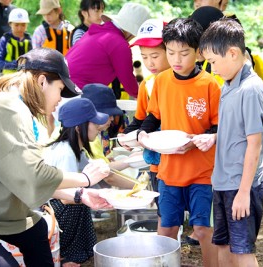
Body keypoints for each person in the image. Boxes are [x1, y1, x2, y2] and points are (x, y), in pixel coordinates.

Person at [0, 48, 111, 267]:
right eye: (60, 89)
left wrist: (79, 195)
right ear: (42, 81)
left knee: (35, 230)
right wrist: (85, 178)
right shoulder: (7, 107)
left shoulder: (11, 105)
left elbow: (21, 177)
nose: (59, 100)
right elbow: (34, 175)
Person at [136, 18, 220, 267]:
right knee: (166, 229)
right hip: (169, 171)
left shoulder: (210, 84)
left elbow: (218, 126)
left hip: (202, 173)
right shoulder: (160, 82)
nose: (177, 60)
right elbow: (153, 116)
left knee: (204, 230)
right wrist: (142, 133)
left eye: (184, 53)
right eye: (171, 53)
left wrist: (202, 139)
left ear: (199, 52)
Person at [194, 18, 263, 267]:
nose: (212, 69)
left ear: (233, 53)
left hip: (241, 185)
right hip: (223, 181)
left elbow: (254, 143)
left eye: (214, 62)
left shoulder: (250, 89)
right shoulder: (228, 84)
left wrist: (244, 192)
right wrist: (214, 137)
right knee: (223, 245)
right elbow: (236, 129)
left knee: (242, 251)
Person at [118, 18, 170, 235]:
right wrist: (127, 136)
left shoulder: (185, 80)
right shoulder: (147, 84)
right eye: (144, 57)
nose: (150, 63)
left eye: (155, 56)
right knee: (163, 207)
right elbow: (140, 119)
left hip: (186, 159)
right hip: (157, 161)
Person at [44, 97, 111, 267]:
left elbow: (102, 173)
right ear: (78, 128)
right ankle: (65, 256)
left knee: (81, 197)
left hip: (54, 207)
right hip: (49, 211)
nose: (98, 126)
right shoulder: (66, 152)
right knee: (78, 203)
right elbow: (65, 197)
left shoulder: (76, 149)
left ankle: (70, 255)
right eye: (93, 122)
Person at [66, 2, 151, 99]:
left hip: (59, 87)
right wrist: (146, 99)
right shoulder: (119, 43)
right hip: (76, 93)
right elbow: (129, 83)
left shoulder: (97, 32)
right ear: (132, 31)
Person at [82, 83, 136, 189]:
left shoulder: (92, 135)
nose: (112, 119)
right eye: (109, 115)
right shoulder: (90, 138)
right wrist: (140, 186)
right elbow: (107, 175)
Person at [0, 8, 33, 75]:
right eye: (16, 25)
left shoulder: (30, 39)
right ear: (10, 24)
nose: (20, 28)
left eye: (23, 25)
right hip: (8, 77)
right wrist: (15, 65)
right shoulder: (5, 39)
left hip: (25, 76)